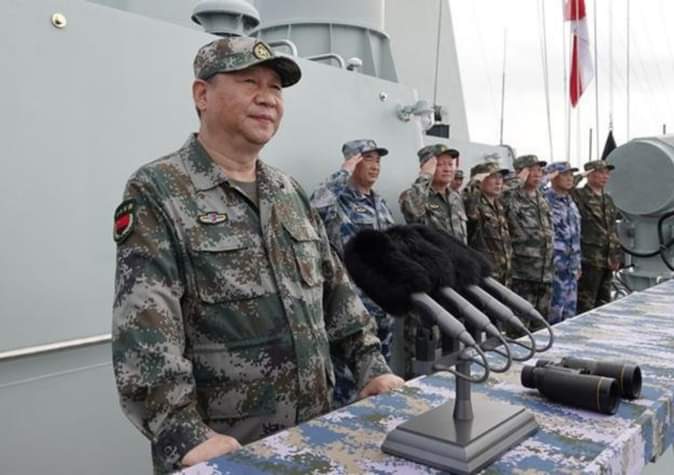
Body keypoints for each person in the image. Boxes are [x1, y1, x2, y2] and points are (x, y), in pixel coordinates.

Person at [111, 37, 402, 474]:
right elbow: (145, 327)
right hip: (226, 451)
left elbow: (336, 292)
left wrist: (371, 367)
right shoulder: (158, 189)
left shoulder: (288, 191)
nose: (268, 98)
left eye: (276, 88)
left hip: (314, 437)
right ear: (202, 95)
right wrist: (184, 434)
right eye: (249, 82)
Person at [310, 139, 396, 406]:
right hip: (351, 309)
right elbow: (314, 209)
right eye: (368, 159)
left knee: (381, 379)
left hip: (382, 305)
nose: (375, 166)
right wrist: (343, 172)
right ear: (353, 161)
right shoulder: (337, 201)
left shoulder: (380, 203)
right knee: (347, 386)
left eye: (378, 161)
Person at [503, 154, 554, 323]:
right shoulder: (511, 197)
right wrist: (517, 180)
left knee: (541, 323)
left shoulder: (541, 198)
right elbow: (501, 197)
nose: (538, 174)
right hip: (522, 273)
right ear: (521, 172)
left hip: (545, 271)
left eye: (539, 170)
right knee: (520, 325)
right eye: (532, 170)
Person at [571, 160, 622, 313]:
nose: (605, 176)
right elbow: (566, 187)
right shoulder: (579, 195)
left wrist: (615, 255)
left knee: (604, 303)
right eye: (600, 172)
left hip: (607, 260)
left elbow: (612, 229)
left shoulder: (608, 200)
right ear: (590, 174)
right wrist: (581, 175)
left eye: (607, 173)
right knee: (585, 305)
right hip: (588, 259)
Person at [399, 144, 467, 243]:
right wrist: (425, 175)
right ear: (427, 167)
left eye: (450, 164)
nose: (447, 169)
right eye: (439, 164)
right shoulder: (411, 196)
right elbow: (413, 212)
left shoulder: (456, 197)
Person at [464, 161, 513, 287]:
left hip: (504, 275)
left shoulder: (499, 206)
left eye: (500, 177)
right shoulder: (474, 205)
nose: (498, 182)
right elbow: (468, 201)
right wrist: (475, 182)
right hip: (485, 276)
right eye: (492, 177)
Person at [544, 162, 582, 324]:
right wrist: (546, 177)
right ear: (553, 177)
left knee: (569, 314)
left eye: (571, 175)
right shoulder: (545, 199)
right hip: (554, 266)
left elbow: (575, 234)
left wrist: (577, 263)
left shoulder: (570, 202)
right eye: (564, 175)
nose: (569, 178)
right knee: (553, 314)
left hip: (571, 267)